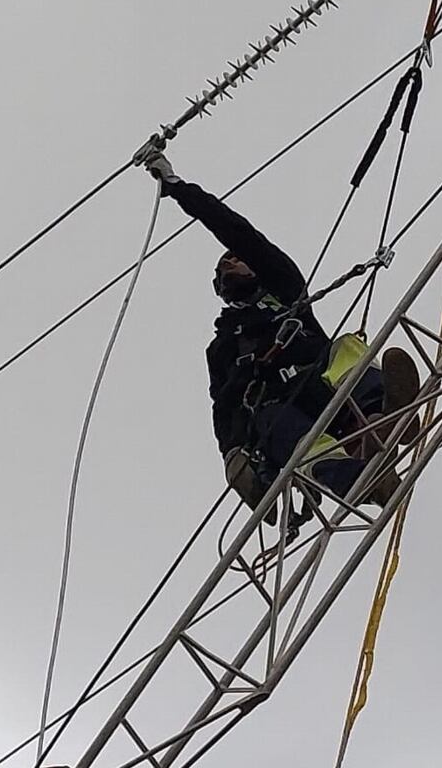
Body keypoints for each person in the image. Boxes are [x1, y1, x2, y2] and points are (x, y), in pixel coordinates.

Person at [140, 149, 423, 515]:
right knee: (272, 422)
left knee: (345, 349)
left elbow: (237, 232)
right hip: (289, 416)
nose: (232, 260)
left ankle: (383, 415)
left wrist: (179, 189)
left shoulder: (283, 287)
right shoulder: (224, 347)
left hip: (329, 388)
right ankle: (361, 479)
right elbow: (224, 406)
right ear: (221, 288)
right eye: (226, 263)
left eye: (235, 257)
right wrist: (232, 455)